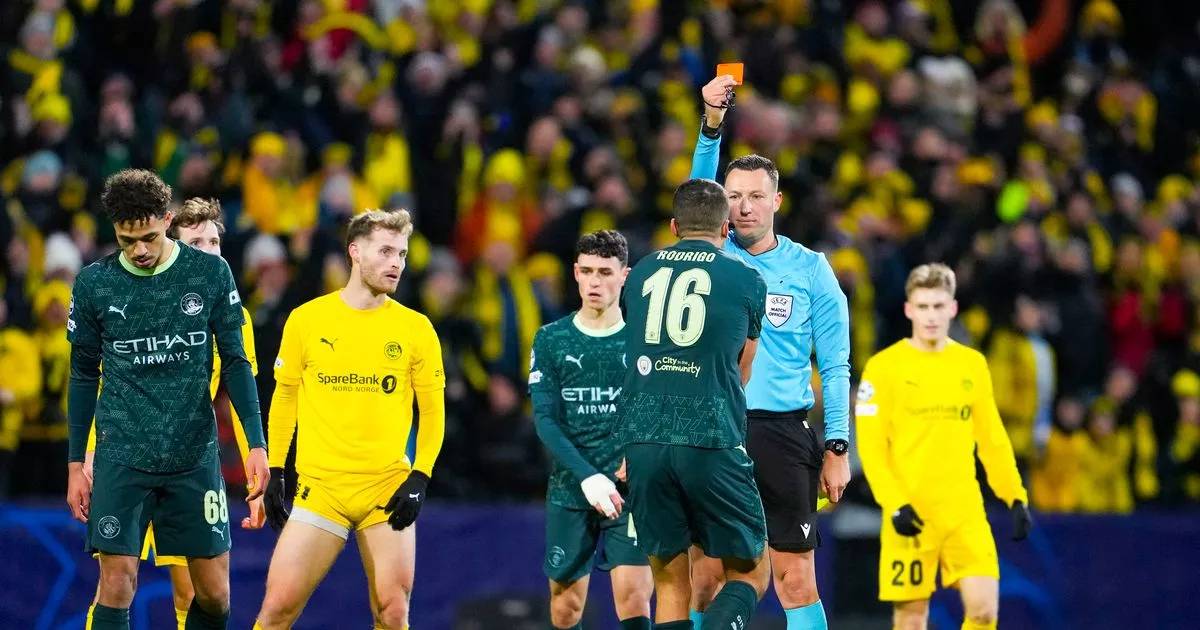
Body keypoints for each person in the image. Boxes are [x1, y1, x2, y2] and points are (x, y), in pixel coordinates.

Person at [65, 169, 268, 630]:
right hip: (122, 454)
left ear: (167, 221)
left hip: (192, 456)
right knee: (116, 582)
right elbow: (83, 375)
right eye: (126, 241)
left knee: (213, 595)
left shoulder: (210, 274)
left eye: (149, 238)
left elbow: (237, 364)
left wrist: (256, 445)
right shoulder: (95, 283)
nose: (138, 250)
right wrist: (77, 462)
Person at [687, 74, 852, 629]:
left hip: (782, 432)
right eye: (733, 196)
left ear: (777, 201)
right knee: (706, 576)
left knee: (794, 578)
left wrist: (837, 446)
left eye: (756, 196)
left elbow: (835, 364)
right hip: (715, 428)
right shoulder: (712, 256)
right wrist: (711, 124)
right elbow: (696, 192)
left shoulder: (811, 269)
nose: (743, 207)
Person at [255, 209, 446, 629]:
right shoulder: (307, 320)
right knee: (277, 609)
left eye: (402, 254)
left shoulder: (416, 329)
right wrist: (276, 470)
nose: (397, 263)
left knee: (392, 611)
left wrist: (420, 476)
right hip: (322, 488)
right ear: (355, 252)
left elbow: (433, 412)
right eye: (386, 251)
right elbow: (285, 398)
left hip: (385, 486)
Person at [621, 178, 770, 630]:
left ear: (674, 226)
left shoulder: (640, 272)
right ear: (726, 228)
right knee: (751, 572)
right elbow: (742, 369)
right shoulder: (746, 279)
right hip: (709, 436)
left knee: (670, 581)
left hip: (643, 439)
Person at [856, 263, 1033, 630]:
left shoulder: (972, 364)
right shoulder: (883, 368)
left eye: (938, 306)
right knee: (910, 619)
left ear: (952, 308)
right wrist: (894, 503)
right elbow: (872, 448)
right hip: (911, 510)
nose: (931, 316)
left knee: (984, 611)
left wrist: (1014, 495)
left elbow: (992, 438)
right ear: (909, 310)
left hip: (963, 511)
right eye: (923, 307)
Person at [530, 230, 653, 630]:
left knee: (634, 596)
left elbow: (657, 410)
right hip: (571, 487)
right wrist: (587, 477)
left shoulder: (644, 341)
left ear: (625, 276)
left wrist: (640, 455)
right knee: (565, 607)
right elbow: (545, 420)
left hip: (631, 490)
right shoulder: (551, 340)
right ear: (575, 273)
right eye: (586, 271)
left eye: (604, 272)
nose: (594, 282)